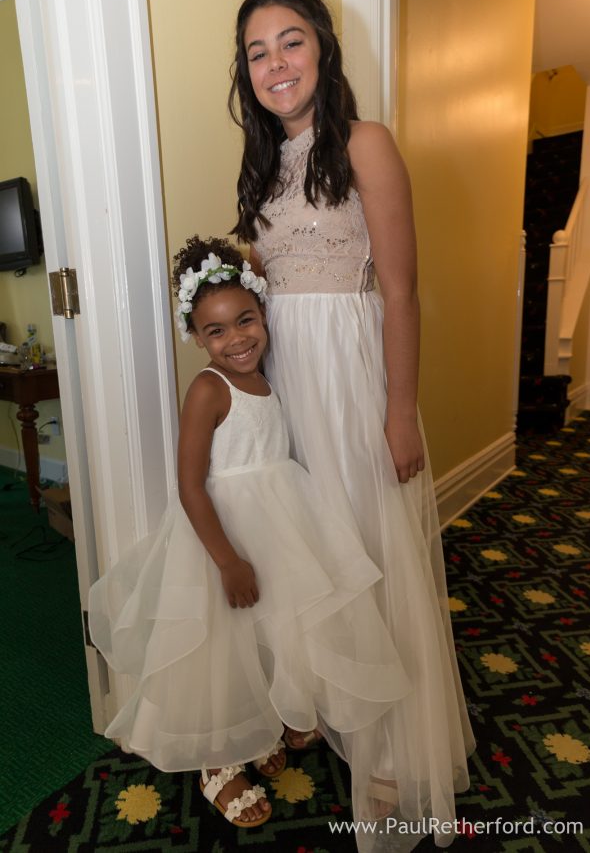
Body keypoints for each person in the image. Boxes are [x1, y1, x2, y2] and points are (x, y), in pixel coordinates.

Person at [229, 0, 476, 849]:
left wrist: (399, 412)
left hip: (352, 376)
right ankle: (343, 713)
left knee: (371, 554)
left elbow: (402, 290)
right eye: (258, 51)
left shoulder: (366, 142)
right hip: (290, 377)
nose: (275, 64)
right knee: (316, 553)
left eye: (290, 42)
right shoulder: (259, 163)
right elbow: (262, 288)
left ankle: (392, 766)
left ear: (323, 49)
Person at [88, 236, 411, 829]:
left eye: (246, 320)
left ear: (264, 314)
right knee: (222, 649)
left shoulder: (269, 377)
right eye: (216, 331)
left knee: (273, 633)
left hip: (282, 520)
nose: (237, 338)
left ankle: (264, 719)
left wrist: (246, 265)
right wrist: (228, 561)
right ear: (196, 339)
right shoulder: (209, 389)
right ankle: (220, 761)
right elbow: (190, 487)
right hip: (226, 535)